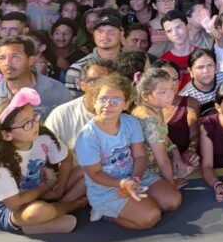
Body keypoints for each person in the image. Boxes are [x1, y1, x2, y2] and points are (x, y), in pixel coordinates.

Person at [75, 74, 182, 229]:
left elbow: (139, 156)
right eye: (103, 99)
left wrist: (135, 179)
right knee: (151, 217)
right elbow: (95, 174)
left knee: (173, 201)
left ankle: (135, 204)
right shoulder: (87, 136)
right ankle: (105, 212)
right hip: (107, 188)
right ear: (94, 101)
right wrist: (123, 184)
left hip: (134, 176)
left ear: (125, 105)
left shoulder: (130, 123)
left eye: (116, 100)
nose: (108, 105)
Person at [0, 88, 86, 235]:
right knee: (37, 211)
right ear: (6, 135)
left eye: (34, 118)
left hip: (41, 191)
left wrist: (60, 188)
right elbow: (14, 204)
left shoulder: (43, 136)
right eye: (26, 123)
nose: (35, 125)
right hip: (13, 209)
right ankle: (69, 206)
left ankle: (50, 214)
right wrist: (47, 186)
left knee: (84, 172)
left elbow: (66, 159)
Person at [0, 36, 71, 117]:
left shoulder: (57, 91)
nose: (7, 63)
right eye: (2, 58)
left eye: (15, 57)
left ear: (31, 60)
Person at [132, 68, 189, 188]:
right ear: (145, 96)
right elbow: (162, 162)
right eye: (162, 92)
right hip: (148, 172)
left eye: (171, 89)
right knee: (173, 200)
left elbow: (163, 135)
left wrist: (175, 153)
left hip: (160, 163)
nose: (170, 95)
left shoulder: (157, 108)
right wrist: (171, 185)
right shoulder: (149, 121)